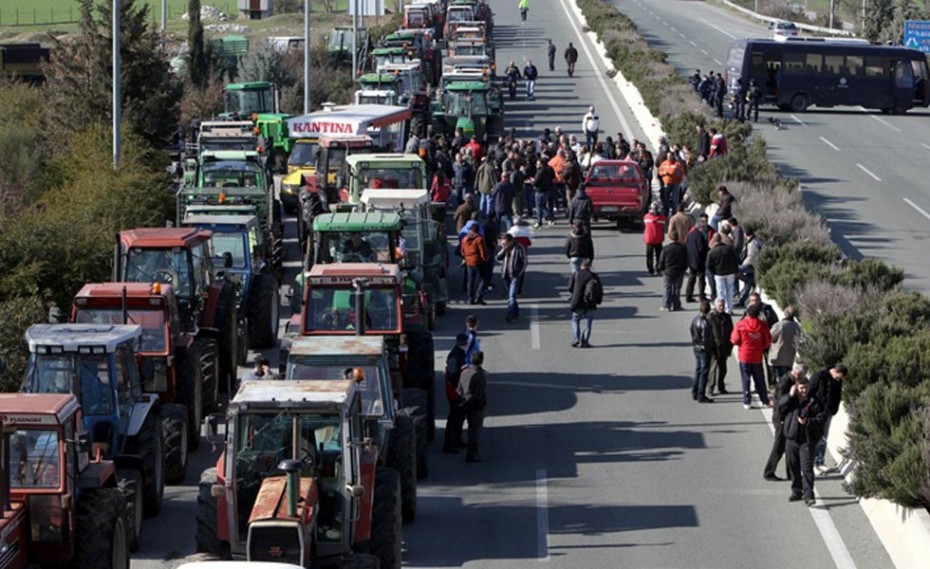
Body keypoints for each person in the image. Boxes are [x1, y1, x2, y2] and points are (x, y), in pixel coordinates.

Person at [779, 376, 827, 506]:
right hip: (791, 439)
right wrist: (790, 395)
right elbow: (780, 408)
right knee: (793, 467)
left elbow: (821, 418)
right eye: (801, 388)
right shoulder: (791, 400)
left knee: (807, 469)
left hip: (807, 441)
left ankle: (809, 495)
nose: (804, 390)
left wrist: (808, 422)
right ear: (796, 388)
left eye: (806, 387)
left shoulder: (815, 402)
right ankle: (796, 491)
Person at [764, 363, 808, 481]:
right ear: (798, 373)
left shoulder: (794, 380)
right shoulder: (785, 382)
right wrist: (782, 419)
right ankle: (769, 472)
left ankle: (792, 473)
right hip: (781, 418)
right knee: (779, 446)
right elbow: (780, 403)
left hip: (788, 418)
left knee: (789, 446)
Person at [730, 303, 772, 409]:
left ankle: (747, 401)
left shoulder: (741, 324)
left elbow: (734, 340)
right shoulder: (762, 325)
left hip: (744, 355)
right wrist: (760, 347)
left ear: (748, 314)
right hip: (757, 356)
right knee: (760, 379)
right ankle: (764, 400)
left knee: (746, 379)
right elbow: (767, 341)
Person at [809, 365, 847, 474]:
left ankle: (820, 462)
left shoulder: (838, 380)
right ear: (834, 371)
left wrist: (834, 410)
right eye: (838, 376)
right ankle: (812, 464)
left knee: (823, 438)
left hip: (828, 413)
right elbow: (810, 391)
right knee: (815, 438)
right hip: (817, 413)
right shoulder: (819, 376)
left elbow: (837, 395)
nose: (838, 379)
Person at [458, 351, 488, 462]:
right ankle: (472, 453)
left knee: (471, 429)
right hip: (476, 407)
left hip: (465, 404)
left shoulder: (464, 372)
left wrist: (463, 400)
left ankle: (471, 452)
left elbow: (459, 389)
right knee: (474, 431)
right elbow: (478, 394)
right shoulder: (479, 376)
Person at [442, 333, 470, 453]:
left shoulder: (459, 353)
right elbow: (453, 375)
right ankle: (449, 444)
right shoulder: (455, 355)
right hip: (455, 393)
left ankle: (457, 440)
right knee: (454, 418)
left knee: (460, 416)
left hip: (458, 392)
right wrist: (460, 389)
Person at [567, 259, 601, 348]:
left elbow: (570, 287)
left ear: (581, 266)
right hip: (590, 302)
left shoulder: (576, 274)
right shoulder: (594, 276)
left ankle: (576, 338)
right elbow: (599, 291)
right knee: (588, 322)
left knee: (575, 320)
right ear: (590, 267)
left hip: (577, 301)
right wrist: (598, 301)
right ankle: (585, 341)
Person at [496, 233, 528, 322]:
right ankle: (516, 312)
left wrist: (520, 273)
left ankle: (510, 314)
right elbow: (498, 258)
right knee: (511, 296)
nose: (504, 244)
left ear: (511, 241)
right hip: (505, 275)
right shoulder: (505, 249)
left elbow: (525, 261)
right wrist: (503, 249)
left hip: (515, 275)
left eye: (506, 243)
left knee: (512, 296)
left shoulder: (519, 248)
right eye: (503, 243)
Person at [706, 233, 739, 313]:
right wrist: (736, 271)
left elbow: (708, 265)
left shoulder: (712, 252)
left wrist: (714, 271)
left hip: (719, 274)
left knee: (720, 292)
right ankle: (729, 309)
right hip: (730, 273)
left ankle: (721, 308)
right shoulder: (729, 249)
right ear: (721, 239)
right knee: (729, 291)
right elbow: (735, 261)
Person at [707, 298, 734, 396]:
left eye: (722, 305)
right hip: (714, 348)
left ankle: (721, 387)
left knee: (723, 369)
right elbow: (708, 333)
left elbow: (732, 331)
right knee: (713, 369)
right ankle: (710, 388)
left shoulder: (727, 317)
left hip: (725, 347)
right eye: (719, 306)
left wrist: (730, 345)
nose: (721, 307)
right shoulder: (711, 317)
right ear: (715, 306)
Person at [690, 300, 715, 403]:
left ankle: (694, 392)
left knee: (698, 370)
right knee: (704, 372)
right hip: (704, 349)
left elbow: (691, 331)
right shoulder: (705, 323)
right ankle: (701, 394)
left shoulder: (695, 320)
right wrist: (710, 350)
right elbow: (707, 339)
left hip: (696, 347)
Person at [657, 229, 688, 311]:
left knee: (668, 288)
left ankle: (667, 305)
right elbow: (686, 259)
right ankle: (676, 305)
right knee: (677, 289)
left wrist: (661, 268)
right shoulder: (683, 248)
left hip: (668, 271)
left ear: (670, 238)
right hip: (679, 271)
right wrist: (684, 268)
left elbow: (662, 260)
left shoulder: (666, 248)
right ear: (677, 238)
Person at [770, 306, 801, 380]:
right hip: (790, 357)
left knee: (779, 377)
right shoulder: (797, 326)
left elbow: (770, 337)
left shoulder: (780, 325)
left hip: (778, 355)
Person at [685, 213, 710, 303]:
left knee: (691, 278)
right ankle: (701, 296)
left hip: (691, 260)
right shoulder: (699, 236)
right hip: (699, 260)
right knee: (701, 279)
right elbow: (701, 248)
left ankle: (688, 295)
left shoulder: (690, 234)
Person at [736, 223, 763, 307]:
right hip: (753, 265)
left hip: (752, 266)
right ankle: (741, 301)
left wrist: (742, 265)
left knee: (734, 272)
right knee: (748, 284)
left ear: (745, 234)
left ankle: (740, 298)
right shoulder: (753, 241)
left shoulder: (753, 243)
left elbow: (751, 257)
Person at [461, 223, 488, 305]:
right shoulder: (479, 239)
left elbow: (462, 251)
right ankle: (479, 296)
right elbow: (483, 252)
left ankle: (470, 298)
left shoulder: (465, 239)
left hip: (469, 261)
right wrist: (485, 260)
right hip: (477, 261)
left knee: (470, 281)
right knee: (484, 279)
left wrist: (466, 257)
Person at [657, 153, 685, 219]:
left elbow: (681, 173)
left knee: (675, 200)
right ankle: (665, 215)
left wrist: (679, 179)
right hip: (667, 183)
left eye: (670, 156)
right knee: (665, 199)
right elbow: (659, 172)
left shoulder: (677, 164)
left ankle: (674, 215)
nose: (669, 157)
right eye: (668, 156)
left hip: (675, 184)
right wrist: (664, 173)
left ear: (672, 156)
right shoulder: (664, 164)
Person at [643, 201, 665, 275]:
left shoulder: (646, 217)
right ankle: (658, 268)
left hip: (649, 239)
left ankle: (650, 270)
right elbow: (663, 226)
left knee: (649, 255)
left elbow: (645, 224)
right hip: (658, 239)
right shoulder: (661, 218)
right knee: (659, 255)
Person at [533, 158, 556, 228]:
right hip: (548, 189)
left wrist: (532, 182)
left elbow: (536, 182)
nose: (536, 165)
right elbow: (553, 177)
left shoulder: (540, 172)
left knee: (539, 207)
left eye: (538, 164)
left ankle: (540, 221)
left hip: (540, 190)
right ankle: (549, 217)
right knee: (543, 205)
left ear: (541, 164)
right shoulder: (549, 169)